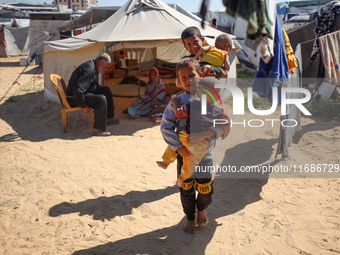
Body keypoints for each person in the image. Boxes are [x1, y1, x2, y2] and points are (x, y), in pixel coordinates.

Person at [160, 58, 225, 234]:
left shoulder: (211, 99)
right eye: (183, 77)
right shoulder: (178, 101)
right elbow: (165, 127)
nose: (188, 80)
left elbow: (222, 126)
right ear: (178, 81)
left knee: (205, 190)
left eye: (192, 75)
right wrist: (177, 147)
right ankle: (189, 217)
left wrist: (205, 134)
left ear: (200, 75)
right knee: (186, 189)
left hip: (205, 155)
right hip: (184, 155)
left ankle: (201, 209)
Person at [157, 78, 230, 188]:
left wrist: (175, 102)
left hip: (185, 136)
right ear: (217, 96)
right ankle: (182, 178)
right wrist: (226, 133)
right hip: (202, 144)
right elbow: (226, 121)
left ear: (198, 93)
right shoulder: (217, 110)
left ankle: (165, 162)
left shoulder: (194, 103)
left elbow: (180, 114)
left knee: (172, 146)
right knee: (191, 163)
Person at [66, 53, 119, 136]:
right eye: (105, 67)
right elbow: (78, 90)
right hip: (74, 98)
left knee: (106, 90)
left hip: (83, 93)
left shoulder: (93, 66)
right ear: (101, 62)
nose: (105, 70)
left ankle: (107, 119)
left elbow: (91, 85)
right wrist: (82, 105)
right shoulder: (89, 70)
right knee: (101, 99)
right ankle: (97, 130)